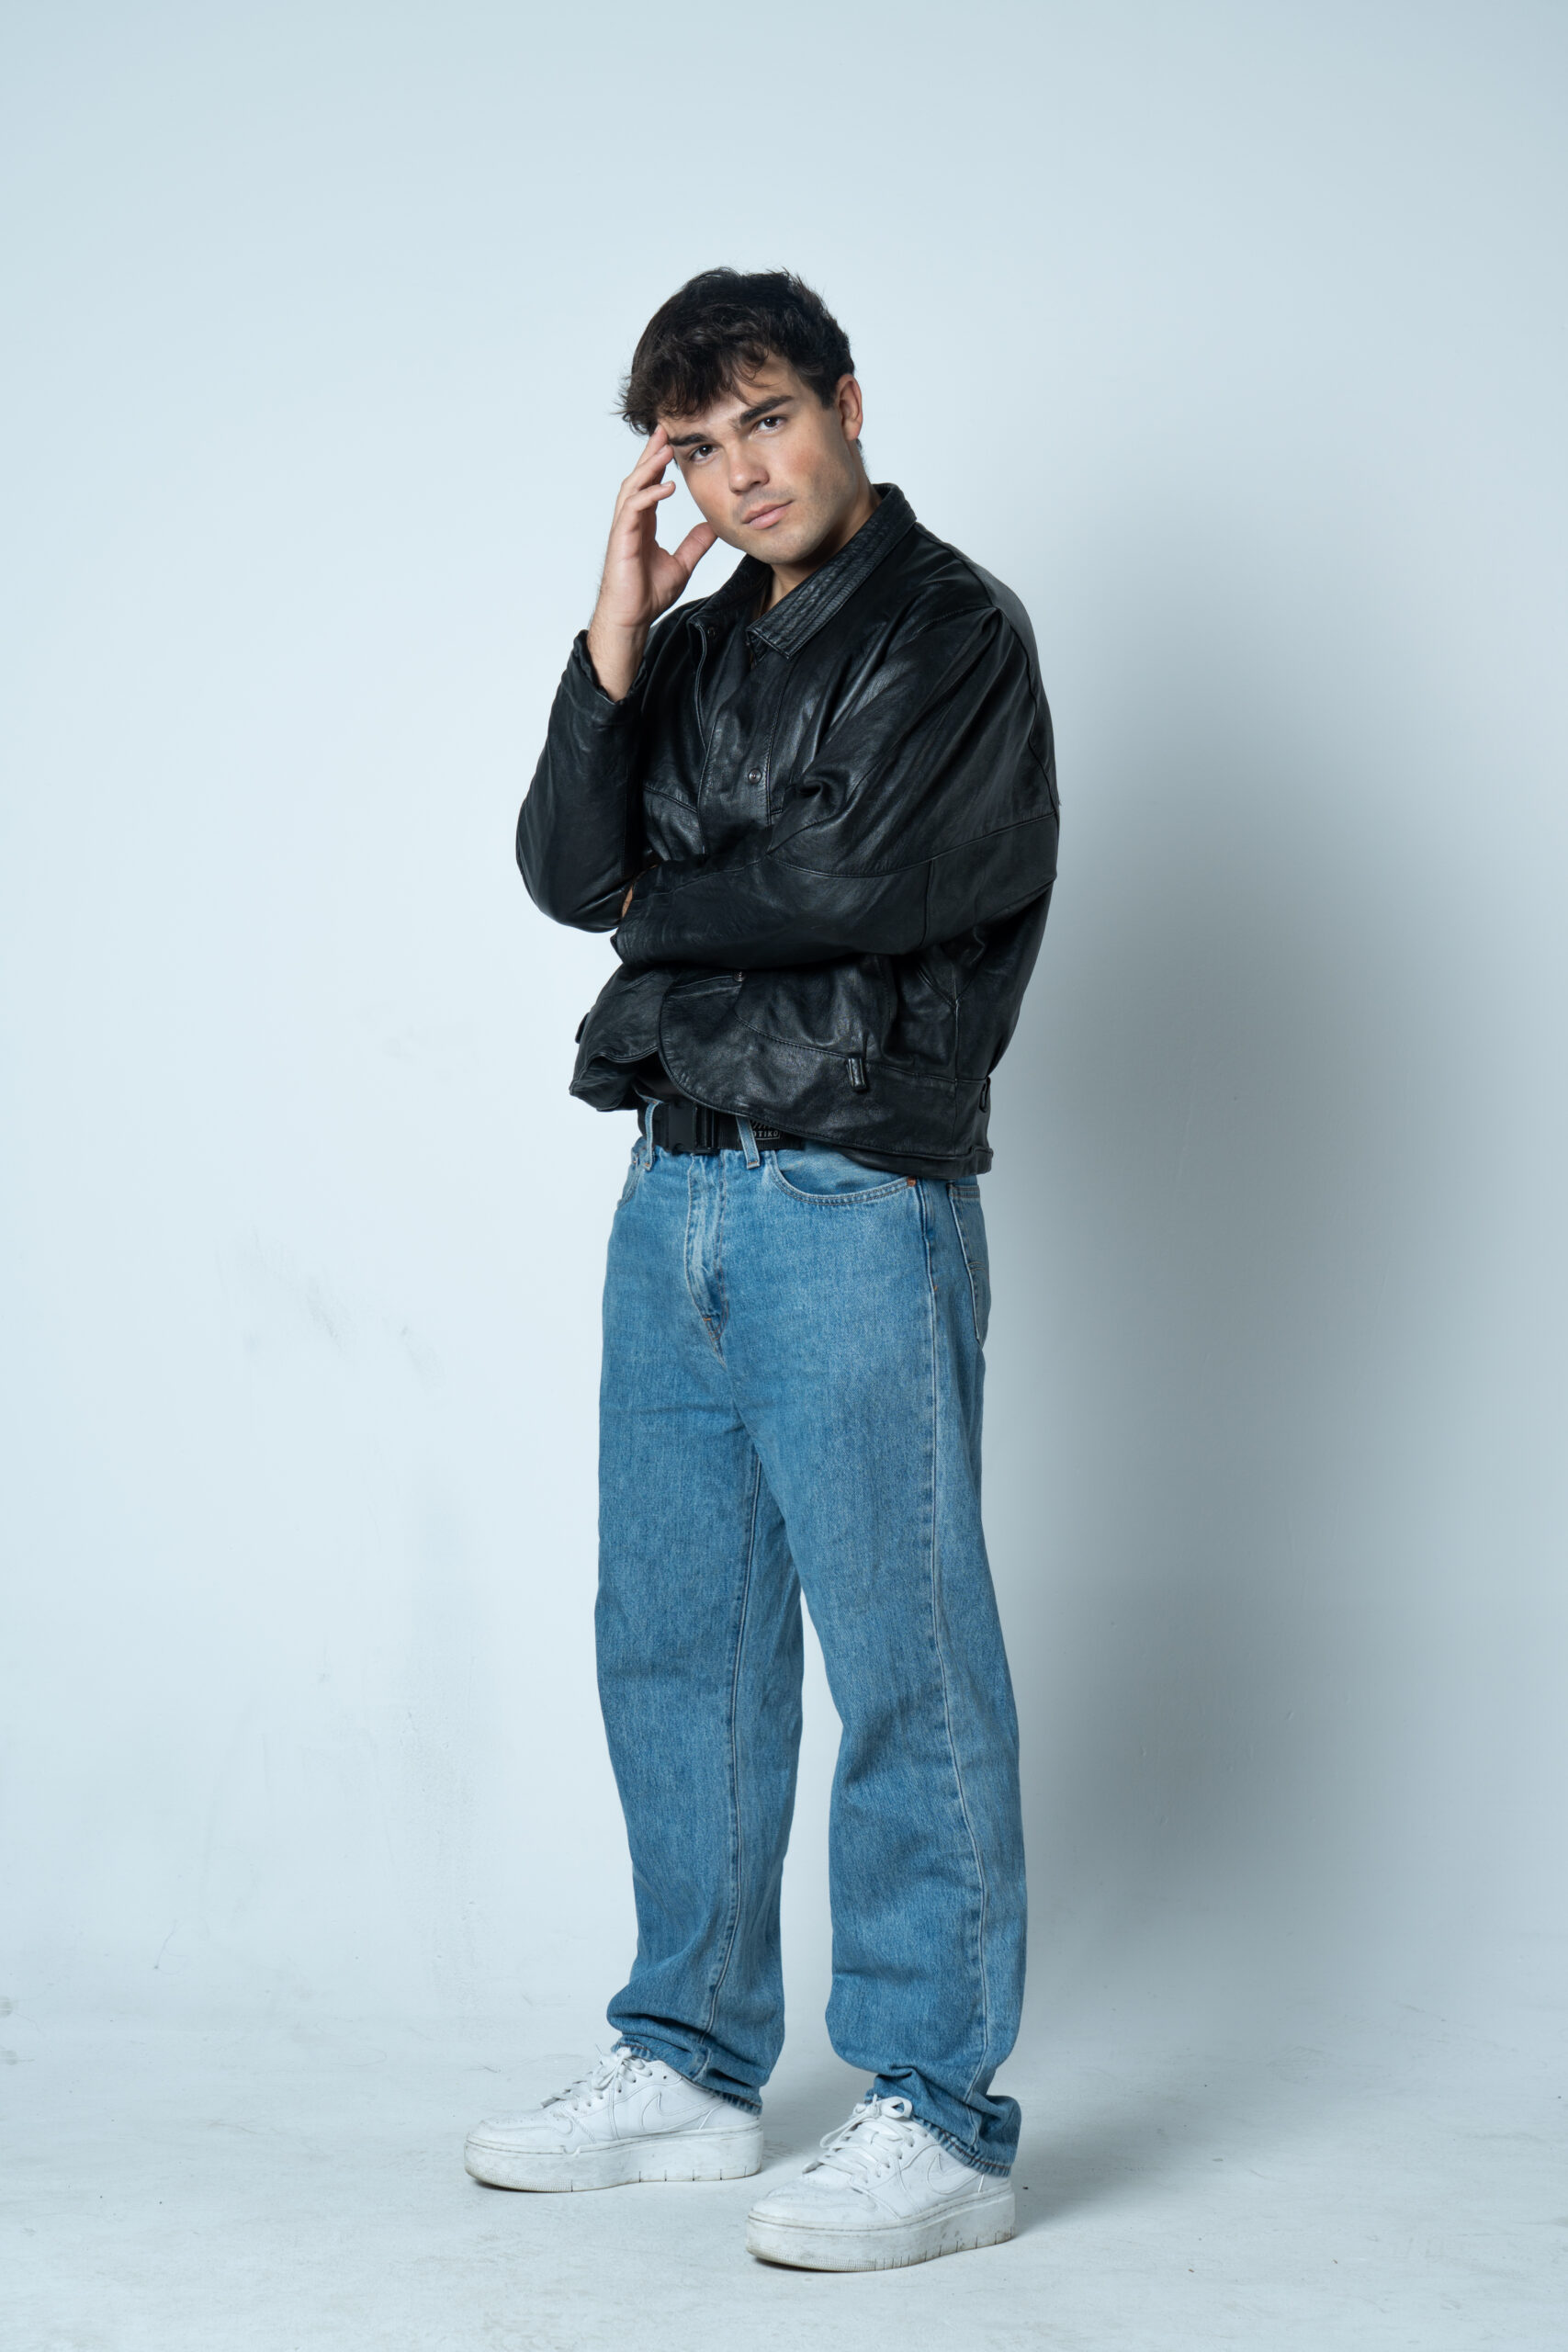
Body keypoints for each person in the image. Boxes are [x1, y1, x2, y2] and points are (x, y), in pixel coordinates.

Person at [465, 269, 1058, 2272]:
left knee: (906, 1663)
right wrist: (616, 642)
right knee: (675, 1646)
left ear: (847, 404)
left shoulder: (953, 631)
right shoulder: (700, 642)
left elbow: (848, 882)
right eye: (698, 448)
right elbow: (568, 870)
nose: (743, 473)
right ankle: (691, 2059)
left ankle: (939, 2110)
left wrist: (665, 902)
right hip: (678, 1192)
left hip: (855, 1195)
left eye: (770, 420)